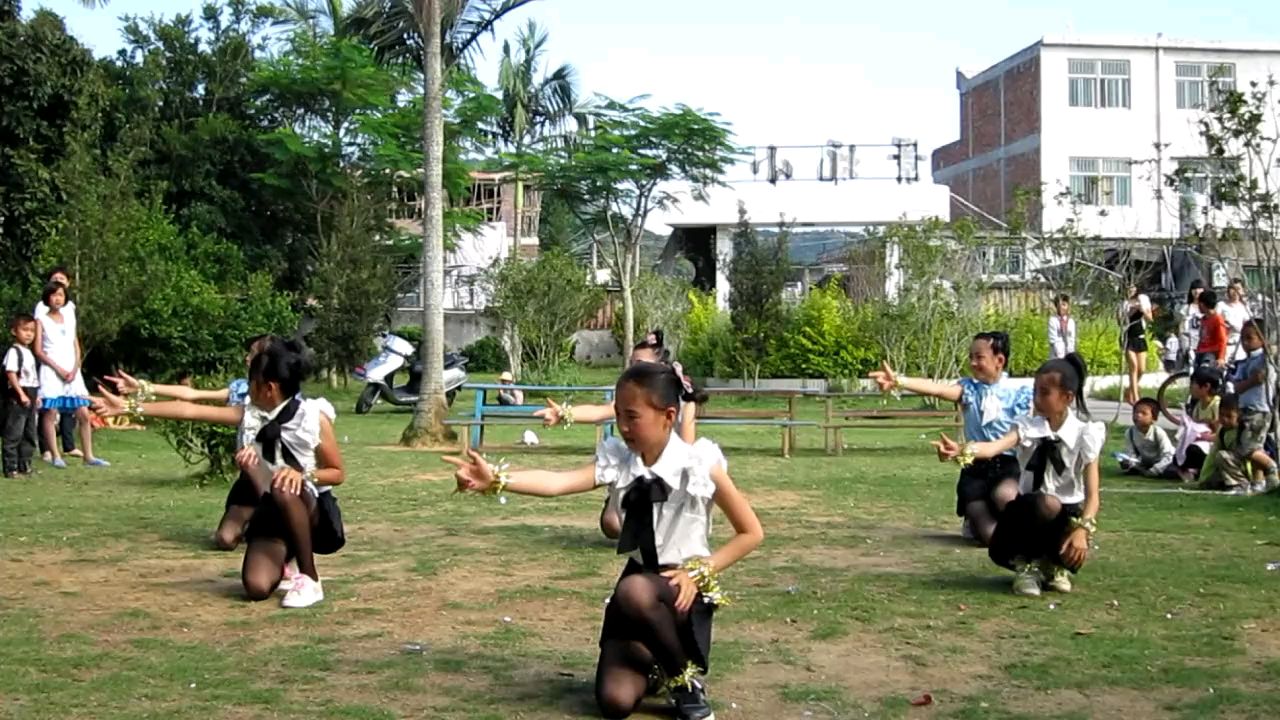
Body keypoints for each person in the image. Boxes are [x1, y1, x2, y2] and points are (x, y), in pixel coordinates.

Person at [443, 362, 763, 720]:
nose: (622, 426)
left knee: (635, 590)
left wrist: (699, 572)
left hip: (680, 590)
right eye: (618, 414)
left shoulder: (700, 464)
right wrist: (497, 479)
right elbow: (558, 482)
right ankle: (655, 665)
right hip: (636, 591)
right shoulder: (621, 461)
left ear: (668, 416)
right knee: (615, 702)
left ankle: (684, 682)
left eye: (632, 417)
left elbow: (751, 532)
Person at [96, 339, 346, 608]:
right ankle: (288, 558)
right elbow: (190, 410)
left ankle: (310, 578)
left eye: (252, 383)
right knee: (256, 587)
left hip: (310, 510)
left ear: (269, 388)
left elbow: (337, 473)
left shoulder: (312, 417)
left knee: (284, 487)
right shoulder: (250, 415)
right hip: (271, 514)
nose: (248, 389)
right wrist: (129, 407)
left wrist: (303, 475)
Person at [932, 354, 1103, 597]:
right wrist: (961, 450)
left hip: (1066, 516)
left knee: (1063, 517)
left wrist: (1082, 530)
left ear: (1067, 397)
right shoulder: (1028, 427)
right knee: (1045, 503)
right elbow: (993, 448)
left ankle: (1053, 565)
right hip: (1028, 512)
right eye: (1035, 391)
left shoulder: (1086, 433)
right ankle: (1026, 565)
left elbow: (1093, 497)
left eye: (1045, 393)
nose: (1036, 399)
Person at [105, 334, 286, 551]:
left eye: (253, 354)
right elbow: (191, 399)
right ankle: (256, 521)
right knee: (225, 539)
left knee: (278, 533)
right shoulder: (242, 391)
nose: (247, 358)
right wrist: (143, 389)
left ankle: (275, 522)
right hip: (249, 481)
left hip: (280, 480)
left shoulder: (289, 403)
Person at [536, 330, 710, 540]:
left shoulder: (683, 401)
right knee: (612, 524)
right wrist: (564, 413)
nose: (633, 369)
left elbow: (687, 446)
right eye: (631, 363)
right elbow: (600, 412)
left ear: (660, 366)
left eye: (640, 363)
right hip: (638, 465)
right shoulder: (632, 396)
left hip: (669, 470)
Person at [870, 332, 1032, 546]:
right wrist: (899, 381)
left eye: (979, 357)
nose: (972, 363)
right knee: (988, 535)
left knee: (1006, 497)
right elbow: (938, 389)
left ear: (999, 360)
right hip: (975, 468)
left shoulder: (1019, 393)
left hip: (1007, 466)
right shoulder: (969, 389)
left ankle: (1029, 535)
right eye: (970, 357)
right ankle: (982, 524)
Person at [32, 282, 107, 468]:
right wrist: (58, 369)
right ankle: (55, 455)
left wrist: (75, 368)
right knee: (50, 412)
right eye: (54, 295)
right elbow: (38, 350)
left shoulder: (69, 318)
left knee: (83, 412)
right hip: (52, 370)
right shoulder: (41, 320)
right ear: (47, 298)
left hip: (72, 372)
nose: (58, 298)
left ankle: (88, 456)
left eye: (61, 295)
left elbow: (75, 345)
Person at [33, 266, 79, 460]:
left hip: (69, 362)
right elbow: (40, 338)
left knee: (70, 405)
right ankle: (47, 449)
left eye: (62, 280)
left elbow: (73, 336)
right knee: (49, 407)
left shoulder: (70, 307)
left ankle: (69, 446)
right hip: (50, 361)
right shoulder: (42, 307)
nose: (59, 283)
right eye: (55, 280)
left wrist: (75, 364)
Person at [1227, 319, 1277, 493]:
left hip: (1259, 409)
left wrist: (1243, 384)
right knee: (1255, 447)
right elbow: (1237, 384)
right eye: (1243, 338)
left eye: (1250, 338)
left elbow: (1259, 378)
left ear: (1262, 339)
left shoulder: (1265, 359)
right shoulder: (1245, 361)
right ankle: (1258, 482)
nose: (1245, 342)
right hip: (1245, 408)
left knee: (1248, 448)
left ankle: (1271, 467)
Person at [3, 314, 40, 478]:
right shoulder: (14, 351)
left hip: (31, 392)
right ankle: (10, 467)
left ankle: (25, 464)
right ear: (14, 331)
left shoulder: (29, 352)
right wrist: (21, 394)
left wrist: (36, 396)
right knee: (14, 433)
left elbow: (32, 375)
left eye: (32, 331)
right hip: (18, 395)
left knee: (29, 433)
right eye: (25, 330)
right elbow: (11, 373)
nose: (29, 334)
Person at [1172, 367, 1222, 483]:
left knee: (1194, 450)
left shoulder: (1217, 405)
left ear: (1206, 386)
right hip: (1200, 441)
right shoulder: (1199, 405)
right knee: (1177, 457)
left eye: (1193, 384)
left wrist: (1205, 437)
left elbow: (1220, 433)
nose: (1190, 388)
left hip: (1212, 444)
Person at [1198, 394, 1252, 493]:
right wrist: (1204, 478)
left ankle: (1241, 484)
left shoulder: (1245, 430)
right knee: (1209, 482)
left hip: (1247, 468)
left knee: (1222, 456)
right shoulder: (1222, 432)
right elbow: (1211, 456)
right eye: (1221, 415)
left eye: (1229, 416)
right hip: (1230, 467)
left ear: (1239, 414)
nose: (1224, 419)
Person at [1117, 398, 1175, 478]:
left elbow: (1169, 455)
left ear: (1154, 419)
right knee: (1129, 466)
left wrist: (1154, 470)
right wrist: (1128, 462)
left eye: (1144, 413)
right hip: (1145, 464)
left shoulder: (1158, 432)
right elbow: (1130, 453)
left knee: (1170, 471)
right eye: (1136, 412)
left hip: (1163, 462)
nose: (1138, 415)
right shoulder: (1130, 432)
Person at [1119, 284, 1153, 406]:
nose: (1131, 290)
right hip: (1128, 337)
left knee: (1141, 369)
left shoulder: (1143, 299)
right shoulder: (1123, 304)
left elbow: (1150, 319)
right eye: (1128, 287)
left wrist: (1142, 310)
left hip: (1140, 337)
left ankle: (1129, 390)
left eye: (1133, 287)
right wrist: (1130, 312)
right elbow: (1120, 321)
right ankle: (1136, 397)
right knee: (1133, 366)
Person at [1218, 278, 1253, 364]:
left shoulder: (1245, 308)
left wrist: (1233, 325)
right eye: (1232, 289)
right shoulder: (1221, 305)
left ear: (1242, 291)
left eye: (1238, 289)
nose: (1235, 292)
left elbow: (1248, 328)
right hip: (1225, 345)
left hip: (1240, 346)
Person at [1194, 290, 1228, 369]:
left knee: (1205, 372)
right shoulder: (1203, 319)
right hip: (1200, 352)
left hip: (1210, 354)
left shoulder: (1217, 319)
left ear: (1202, 304)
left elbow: (1223, 340)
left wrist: (1221, 357)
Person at [1180, 280, 1205, 371]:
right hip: (1191, 344)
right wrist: (1184, 344)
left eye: (1199, 288)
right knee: (1192, 369)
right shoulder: (1186, 308)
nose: (1197, 291)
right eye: (1194, 289)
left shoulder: (1208, 307)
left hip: (1205, 343)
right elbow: (1182, 327)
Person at [1048, 294, 1077, 361]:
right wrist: (1061, 357)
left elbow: (1072, 340)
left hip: (1068, 356)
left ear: (1068, 306)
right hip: (1056, 356)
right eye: (1059, 305)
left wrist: (1070, 355)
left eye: (1064, 305)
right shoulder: (1053, 320)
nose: (1061, 307)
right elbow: (1053, 340)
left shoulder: (1071, 322)